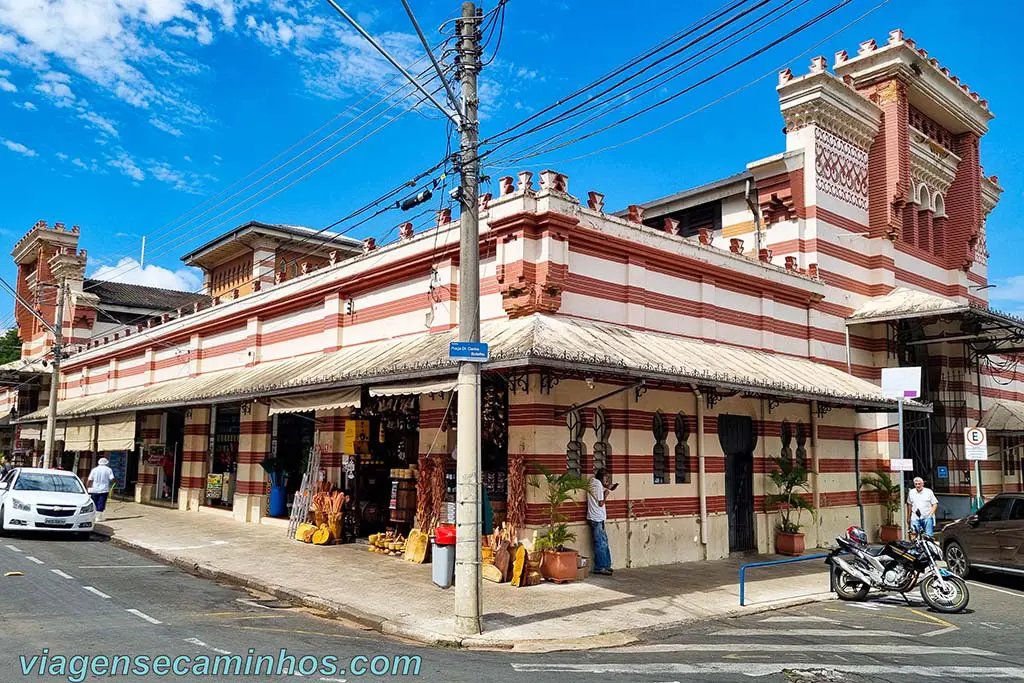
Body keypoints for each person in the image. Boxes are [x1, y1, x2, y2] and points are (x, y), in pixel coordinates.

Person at [587, 468, 618, 576]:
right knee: (601, 543)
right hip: (597, 517)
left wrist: (606, 487)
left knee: (603, 541)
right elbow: (601, 502)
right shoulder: (598, 485)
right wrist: (606, 495)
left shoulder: (593, 482)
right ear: (601, 477)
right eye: (606, 477)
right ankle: (601, 567)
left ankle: (606, 565)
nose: (607, 479)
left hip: (596, 517)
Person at [87, 457, 117, 522]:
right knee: (101, 503)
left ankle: (93, 516)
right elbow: (112, 479)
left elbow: (89, 480)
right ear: (106, 463)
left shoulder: (94, 470)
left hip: (94, 489)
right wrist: (115, 482)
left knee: (94, 503)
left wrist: (87, 488)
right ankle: (99, 517)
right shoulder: (108, 469)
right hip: (104, 489)